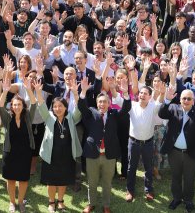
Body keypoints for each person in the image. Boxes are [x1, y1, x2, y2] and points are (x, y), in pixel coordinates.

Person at [78, 80, 131, 213]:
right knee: (92, 182)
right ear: (97, 103)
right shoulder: (91, 113)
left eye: (105, 102)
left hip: (109, 155)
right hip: (92, 154)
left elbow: (126, 109)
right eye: (100, 102)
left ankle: (106, 205)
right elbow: (82, 107)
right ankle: (91, 203)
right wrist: (83, 91)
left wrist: (125, 94)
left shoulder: (114, 114)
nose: (102, 104)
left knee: (107, 183)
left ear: (109, 103)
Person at [35, 77, 83, 213]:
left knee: (63, 180)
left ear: (66, 107)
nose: (57, 108)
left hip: (67, 155)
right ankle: (51, 202)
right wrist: (38, 92)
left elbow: (79, 108)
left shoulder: (71, 118)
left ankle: (61, 201)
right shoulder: (49, 117)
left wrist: (75, 93)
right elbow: (42, 105)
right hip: (51, 155)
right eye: (55, 106)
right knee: (51, 181)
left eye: (60, 106)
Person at [158, 87, 195, 213]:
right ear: (180, 99)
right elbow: (161, 114)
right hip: (174, 152)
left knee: (189, 178)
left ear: (193, 101)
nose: (186, 101)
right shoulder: (174, 108)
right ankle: (176, 198)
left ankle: (188, 200)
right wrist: (167, 100)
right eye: (184, 98)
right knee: (175, 176)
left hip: (190, 153)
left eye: (189, 99)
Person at [0, 76, 37, 213]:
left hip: (25, 153)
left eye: (19, 104)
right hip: (10, 152)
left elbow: (34, 103)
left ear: (22, 106)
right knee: (10, 179)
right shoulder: (7, 118)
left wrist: (28, 89)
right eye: (14, 105)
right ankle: (12, 202)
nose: (16, 107)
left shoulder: (28, 117)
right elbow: (0, 105)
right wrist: (5, 91)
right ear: (12, 106)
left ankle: (21, 202)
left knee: (23, 179)